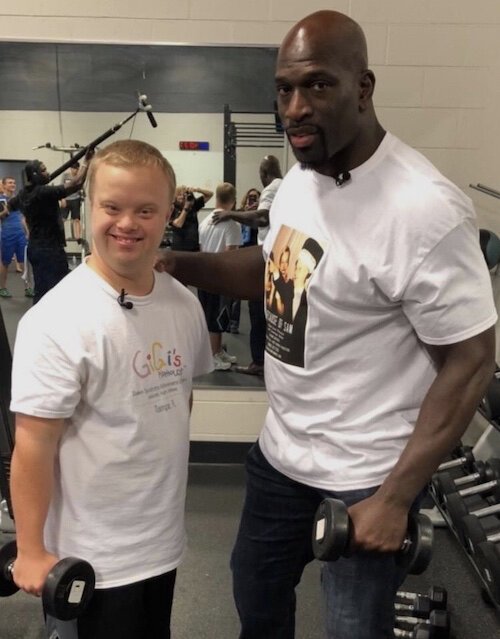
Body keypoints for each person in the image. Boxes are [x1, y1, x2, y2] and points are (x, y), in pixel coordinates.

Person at [157, 9, 497, 638]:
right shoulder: (299, 182)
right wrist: (179, 263)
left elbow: (472, 358)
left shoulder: (424, 209)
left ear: (363, 88)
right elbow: (274, 266)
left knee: (351, 628)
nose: (294, 108)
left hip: (368, 475)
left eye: (317, 85)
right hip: (281, 456)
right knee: (254, 598)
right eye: (284, 89)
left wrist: (397, 496)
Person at [9, 139, 213, 639]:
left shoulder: (183, 304)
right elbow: (32, 447)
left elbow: (178, 402)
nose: (128, 223)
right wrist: (32, 551)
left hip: (160, 544)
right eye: (113, 207)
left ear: (170, 212)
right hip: (88, 557)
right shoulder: (57, 319)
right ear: (87, 208)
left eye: (146, 210)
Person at [213, 156, 283, 377]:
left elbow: (262, 219)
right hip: (280, 257)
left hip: (267, 259)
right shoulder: (287, 185)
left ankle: (258, 362)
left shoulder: (271, 188)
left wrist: (230, 214)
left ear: (263, 174)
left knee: (257, 311)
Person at [8, 155, 92, 304]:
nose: (47, 173)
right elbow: (77, 183)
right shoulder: (43, 192)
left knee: (41, 289)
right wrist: (87, 160)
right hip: (50, 250)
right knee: (57, 290)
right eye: (44, 171)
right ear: (36, 175)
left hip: (35, 248)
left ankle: (39, 321)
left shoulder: (23, 194)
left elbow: (9, 206)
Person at [198, 182, 241, 370]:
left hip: (205, 275)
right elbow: (229, 254)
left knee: (213, 315)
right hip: (219, 277)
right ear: (233, 200)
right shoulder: (232, 225)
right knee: (216, 317)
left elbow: (201, 249)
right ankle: (214, 355)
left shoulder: (204, 221)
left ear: (216, 197)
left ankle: (217, 351)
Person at [228, 188, 261, 334]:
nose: (251, 199)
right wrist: (245, 213)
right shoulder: (240, 213)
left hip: (255, 256)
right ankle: (233, 323)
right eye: (250, 197)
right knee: (236, 292)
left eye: (255, 197)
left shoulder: (261, 216)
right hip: (240, 253)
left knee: (255, 294)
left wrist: (254, 213)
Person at [0, 177, 33, 298]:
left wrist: (28, 232)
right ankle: (2, 288)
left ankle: (28, 287)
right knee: (5, 262)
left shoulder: (18, 199)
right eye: (10, 183)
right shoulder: (1, 199)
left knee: (24, 261)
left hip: (20, 234)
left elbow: (22, 217)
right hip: (7, 234)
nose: (13, 184)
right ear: (3, 185)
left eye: (14, 182)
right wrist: (3, 213)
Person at [169, 185, 214, 252]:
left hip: (194, 248)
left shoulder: (192, 204)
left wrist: (197, 190)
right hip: (179, 249)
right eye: (179, 194)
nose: (182, 197)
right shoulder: (172, 208)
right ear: (175, 196)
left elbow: (210, 194)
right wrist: (186, 208)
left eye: (184, 195)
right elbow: (178, 224)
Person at [60, 161, 84, 244]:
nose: (74, 171)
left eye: (76, 169)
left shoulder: (79, 177)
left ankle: (78, 237)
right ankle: (61, 237)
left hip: (75, 199)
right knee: (62, 219)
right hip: (66, 199)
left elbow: (82, 188)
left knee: (76, 219)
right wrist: (62, 199)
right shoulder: (65, 176)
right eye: (73, 169)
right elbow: (61, 188)